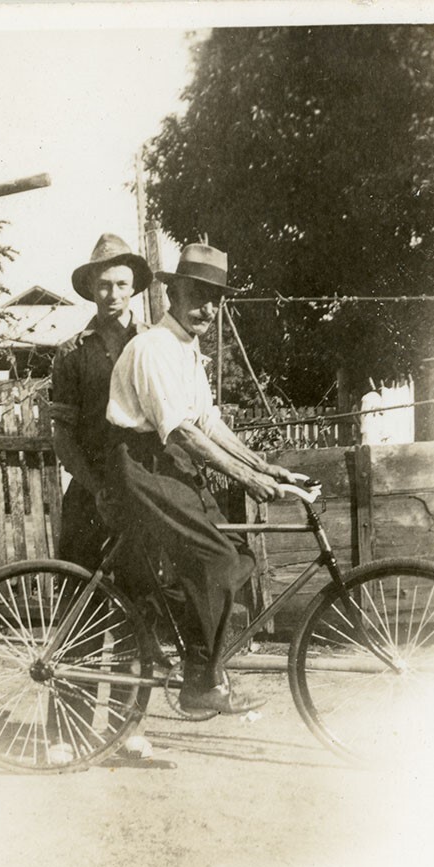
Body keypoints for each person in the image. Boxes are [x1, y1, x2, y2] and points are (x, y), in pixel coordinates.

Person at [106, 243, 299, 714]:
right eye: (197, 294)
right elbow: (181, 432)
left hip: (169, 464)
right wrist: (243, 479)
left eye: (216, 299)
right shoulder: (152, 347)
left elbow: (208, 421)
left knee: (237, 557)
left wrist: (259, 465)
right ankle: (200, 680)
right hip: (142, 465)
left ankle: (195, 659)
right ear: (172, 292)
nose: (207, 308)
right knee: (215, 560)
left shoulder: (187, 350)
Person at [49, 233, 156, 759]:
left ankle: (128, 729)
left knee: (137, 612)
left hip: (141, 495)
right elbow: (63, 437)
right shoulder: (72, 353)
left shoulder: (153, 346)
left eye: (121, 284)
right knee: (80, 612)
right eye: (103, 284)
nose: (112, 293)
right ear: (90, 288)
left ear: (133, 289)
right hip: (89, 498)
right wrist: (95, 489)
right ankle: (65, 733)